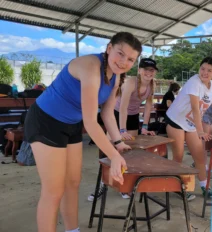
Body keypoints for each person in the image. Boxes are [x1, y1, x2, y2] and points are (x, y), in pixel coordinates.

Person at [24, 32, 140, 232]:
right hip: (46, 121)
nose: (123, 62)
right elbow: (91, 121)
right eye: (120, 54)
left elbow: (106, 113)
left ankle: (72, 230)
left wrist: (118, 142)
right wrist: (113, 156)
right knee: (53, 191)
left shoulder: (117, 75)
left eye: (130, 59)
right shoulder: (91, 66)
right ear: (109, 48)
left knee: (73, 183)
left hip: (72, 124)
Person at [165, 57, 212, 201]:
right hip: (176, 121)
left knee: (199, 156)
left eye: (209, 70)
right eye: (202, 68)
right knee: (178, 156)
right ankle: (177, 187)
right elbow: (195, 108)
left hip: (191, 125)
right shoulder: (194, 81)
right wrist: (200, 131)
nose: (205, 72)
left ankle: (205, 186)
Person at [87, 58, 157, 201]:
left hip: (133, 116)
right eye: (145, 69)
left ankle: (124, 185)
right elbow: (123, 106)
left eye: (151, 70)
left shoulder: (152, 84)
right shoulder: (131, 82)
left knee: (129, 152)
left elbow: (149, 106)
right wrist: (122, 130)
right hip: (117, 114)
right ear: (139, 70)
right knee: (109, 151)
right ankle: (102, 185)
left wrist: (144, 127)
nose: (148, 73)